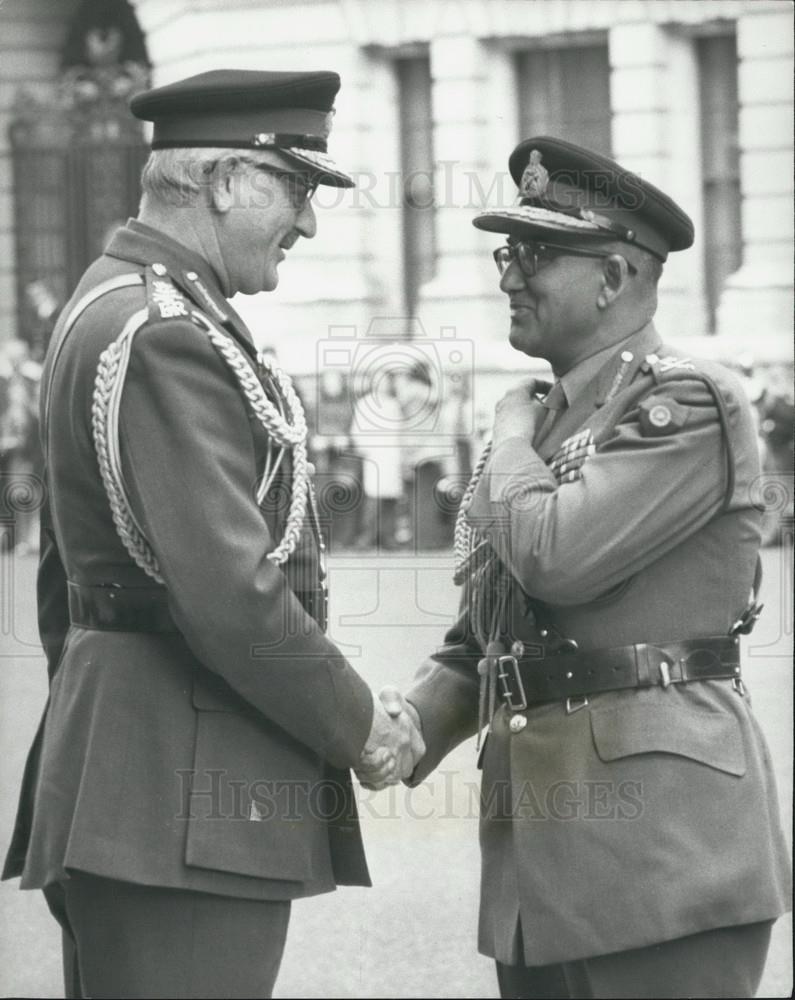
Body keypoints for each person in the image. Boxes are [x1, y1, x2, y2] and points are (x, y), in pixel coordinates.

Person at [2, 69, 423, 999]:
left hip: (136, 771)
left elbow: (62, 579)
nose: (306, 223)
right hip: (178, 794)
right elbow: (233, 596)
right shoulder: (165, 333)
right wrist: (363, 727)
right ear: (229, 180)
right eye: (297, 189)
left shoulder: (116, 301)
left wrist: (90, 726)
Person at [379, 136, 791, 998]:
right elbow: (494, 628)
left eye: (535, 254)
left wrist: (508, 433)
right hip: (541, 857)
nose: (508, 276)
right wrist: (406, 724)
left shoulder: (684, 402)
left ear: (610, 278)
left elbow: (555, 559)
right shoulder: (553, 422)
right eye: (507, 251)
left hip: (659, 856)